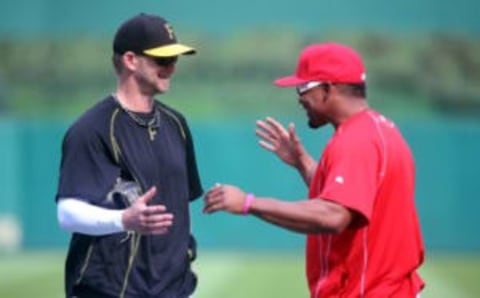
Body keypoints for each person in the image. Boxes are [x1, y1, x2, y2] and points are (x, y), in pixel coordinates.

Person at [204, 42, 425, 297]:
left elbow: (334, 215)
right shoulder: (381, 128)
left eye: (302, 87)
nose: (299, 98)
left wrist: (248, 203)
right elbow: (352, 200)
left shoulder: (356, 140)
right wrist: (304, 164)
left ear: (327, 89)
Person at [55, 13, 203, 298]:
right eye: (162, 60)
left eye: (175, 60)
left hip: (172, 290)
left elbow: (180, 211)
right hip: (108, 289)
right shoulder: (92, 129)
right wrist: (123, 219)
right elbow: (67, 213)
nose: (171, 69)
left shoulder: (176, 125)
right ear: (131, 60)